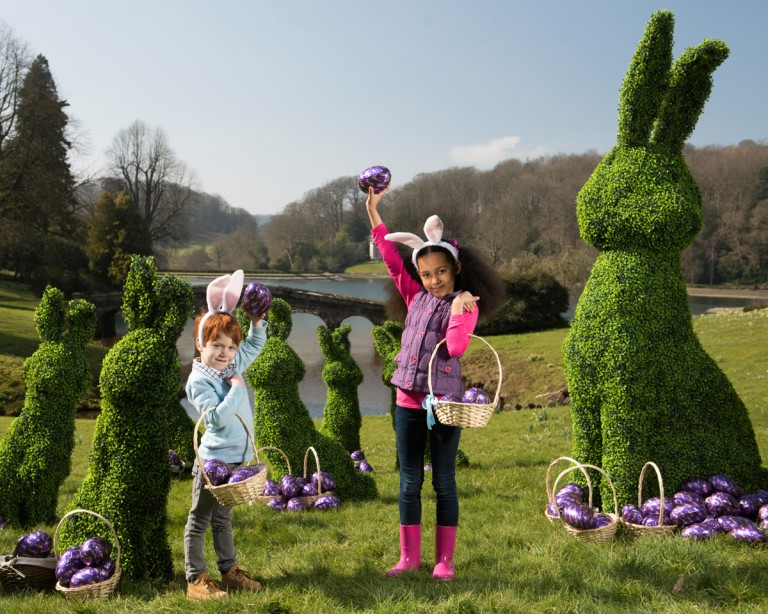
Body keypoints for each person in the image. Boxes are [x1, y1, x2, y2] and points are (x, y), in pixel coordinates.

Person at [366, 185, 503, 581]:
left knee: (443, 480)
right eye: (426, 274)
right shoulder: (414, 296)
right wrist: (374, 210)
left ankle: (445, 560)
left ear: (455, 269)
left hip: (444, 404)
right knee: (409, 481)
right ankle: (408, 557)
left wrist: (460, 310)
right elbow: (392, 258)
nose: (433, 280)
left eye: (440, 272)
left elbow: (457, 348)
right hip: (408, 401)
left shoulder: (465, 304)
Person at [184, 270, 268, 601]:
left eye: (231, 348)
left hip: (236, 461)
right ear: (200, 344)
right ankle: (196, 580)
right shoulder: (200, 381)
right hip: (212, 463)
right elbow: (216, 419)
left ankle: (229, 571)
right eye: (217, 346)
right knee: (199, 519)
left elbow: (256, 344)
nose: (224, 354)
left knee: (223, 520)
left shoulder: (231, 364)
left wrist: (256, 322)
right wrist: (236, 387)